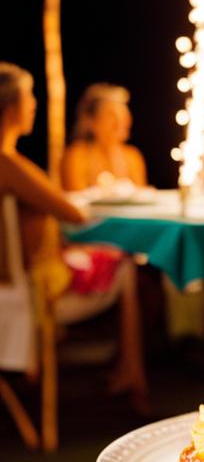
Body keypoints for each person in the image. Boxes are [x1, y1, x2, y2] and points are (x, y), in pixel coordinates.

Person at [0, 64, 147, 409]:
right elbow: (73, 213)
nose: (34, 105)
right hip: (35, 286)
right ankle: (133, 373)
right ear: (10, 109)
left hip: (23, 278)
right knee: (126, 268)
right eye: (29, 97)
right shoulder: (9, 164)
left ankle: (128, 369)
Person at [60, 84, 147, 191]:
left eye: (124, 115)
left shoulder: (133, 157)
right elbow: (75, 199)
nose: (120, 121)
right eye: (111, 115)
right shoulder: (76, 157)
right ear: (91, 121)